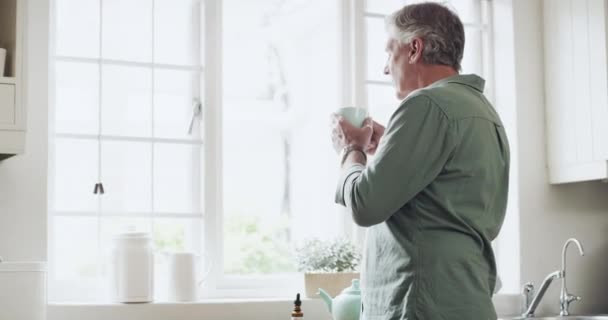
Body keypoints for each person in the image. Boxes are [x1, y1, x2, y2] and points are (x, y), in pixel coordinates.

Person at [331, 2, 510, 320]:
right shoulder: (483, 112)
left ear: (414, 48)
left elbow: (363, 205)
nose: (386, 68)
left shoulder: (425, 104)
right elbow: (446, 197)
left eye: (389, 52)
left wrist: (350, 149)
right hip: (464, 301)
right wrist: (390, 146)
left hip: (421, 305)